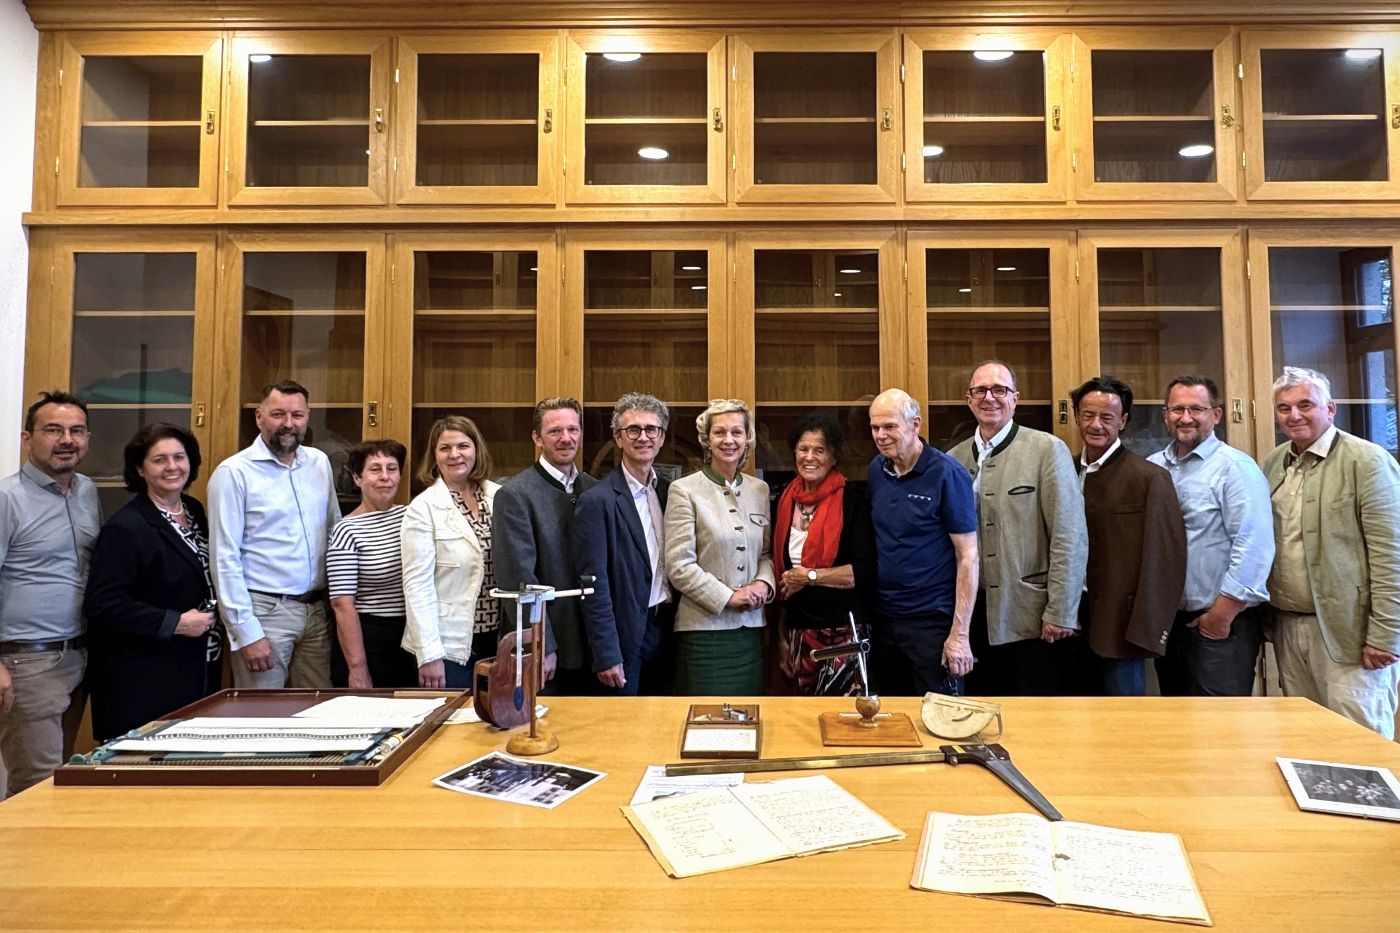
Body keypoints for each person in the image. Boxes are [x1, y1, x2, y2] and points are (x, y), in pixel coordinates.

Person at [1262, 366, 1400, 738]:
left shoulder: (1366, 462)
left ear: (1331, 408)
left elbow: (1392, 556)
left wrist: (1386, 635)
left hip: (1351, 636)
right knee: (1304, 740)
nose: (1294, 415)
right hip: (1289, 627)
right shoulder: (1276, 462)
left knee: (1358, 743)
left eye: (1305, 405)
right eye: (1283, 407)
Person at [948, 361, 1086, 697]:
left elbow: (1069, 535)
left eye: (1000, 390)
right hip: (969, 614)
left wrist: (1062, 611)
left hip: (1029, 614)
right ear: (969, 400)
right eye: (980, 390)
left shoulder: (1046, 450)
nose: (989, 397)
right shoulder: (952, 458)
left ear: (1016, 398)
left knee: (1033, 718)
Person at [84, 423, 219, 740]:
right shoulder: (127, 527)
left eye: (179, 457)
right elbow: (103, 604)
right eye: (159, 460)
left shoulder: (194, 510)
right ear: (139, 469)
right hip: (143, 676)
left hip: (196, 665)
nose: (172, 467)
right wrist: (175, 623)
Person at [0, 391, 100, 798]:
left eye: (76, 431)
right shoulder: (8, 499)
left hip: (79, 657)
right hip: (27, 663)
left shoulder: (87, 491)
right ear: (27, 439)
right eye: (53, 430)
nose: (66, 440)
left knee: (64, 781)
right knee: (36, 788)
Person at [208, 380, 339, 688]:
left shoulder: (319, 463)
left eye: (297, 415)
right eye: (278, 414)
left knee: (318, 714)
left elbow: (335, 530)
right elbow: (224, 558)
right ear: (259, 416)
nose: (289, 424)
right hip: (265, 615)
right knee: (262, 718)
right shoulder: (233, 473)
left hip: (317, 614)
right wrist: (246, 632)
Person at [1148, 375, 1274, 697]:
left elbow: (1254, 547)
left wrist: (1221, 615)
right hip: (1170, 625)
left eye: (1196, 409)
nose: (1185, 417)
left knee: (1222, 731)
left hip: (1220, 624)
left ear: (1216, 415)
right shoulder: (1152, 467)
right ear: (1165, 414)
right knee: (1178, 727)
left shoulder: (1234, 468)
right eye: (1177, 409)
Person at [1073, 376, 1186, 695]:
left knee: (1123, 727)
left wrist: (1148, 629)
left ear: (1122, 421)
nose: (1096, 425)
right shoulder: (1063, 470)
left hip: (1121, 626)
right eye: (1088, 415)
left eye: (1107, 417)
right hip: (1068, 624)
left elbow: (1165, 559)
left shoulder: (1149, 478)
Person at [866, 388, 978, 696]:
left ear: (915, 425)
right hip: (885, 619)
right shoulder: (877, 470)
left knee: (943, 718)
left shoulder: (948, 474)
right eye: (875, 427)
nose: (881, 435)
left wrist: (960, 635)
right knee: (893, 718)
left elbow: (968, 556)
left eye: (890, 426)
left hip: (932, 621)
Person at [663, 399, 775, 695]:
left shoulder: (759, 490)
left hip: (750, 632)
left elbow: (765, 552)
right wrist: (729, 597)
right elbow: (679, 565)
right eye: (720, 433)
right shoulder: (684, 490)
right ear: (706, 439)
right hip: (703, 633)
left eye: (737, 432)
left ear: (747, 438)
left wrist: (764, 585)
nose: (729, 440)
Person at [492, 397, 598, 693]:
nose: (566, 438)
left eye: (573, 430)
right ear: (537, 438)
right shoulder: (514, 495)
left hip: (593, 644)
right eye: (555, 431)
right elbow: (518, 579)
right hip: (547, 650)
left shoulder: (594, 489)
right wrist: (541, 643)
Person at [573, 393, 675, 696]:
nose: (643, 437)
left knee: (665, 726)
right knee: (625, 729)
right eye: (633, 430)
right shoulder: (597, 501)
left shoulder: (671, 493)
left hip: (667, 628)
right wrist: (606, 653)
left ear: (661, 437)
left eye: (651, 429)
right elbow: (594, 586)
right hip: (625, 635)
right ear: (618, 438)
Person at [773, 411, 876, 696]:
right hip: (796, 632)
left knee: (839, 718)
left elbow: (862, 572)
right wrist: (782, 635)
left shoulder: (853, 500)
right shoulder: (784, 499)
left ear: (833, 457)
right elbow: (784, 579)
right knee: (800, 720)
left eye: (819, 450)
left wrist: (811, 576)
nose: (809, 457)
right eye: (803, 449)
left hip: (841, 632)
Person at [401, 416, 502, 689]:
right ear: (434, 456)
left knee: (497, 720)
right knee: (456, 723)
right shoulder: (423, 508)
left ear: (476, 450)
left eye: (463, 446)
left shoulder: (500, 496)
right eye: (445, 448)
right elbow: (417, 585)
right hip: (448, 643)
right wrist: (429, 654)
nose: (455, 454)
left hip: (498, 638)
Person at [326, 438, 416, 689]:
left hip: (409, 636)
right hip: (367, 638)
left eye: (392, 468)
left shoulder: (412, 516)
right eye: (375, 469)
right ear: (357, 478)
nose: (385, 476)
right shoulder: (346, 530)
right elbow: (342, 604)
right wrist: (358, 668)